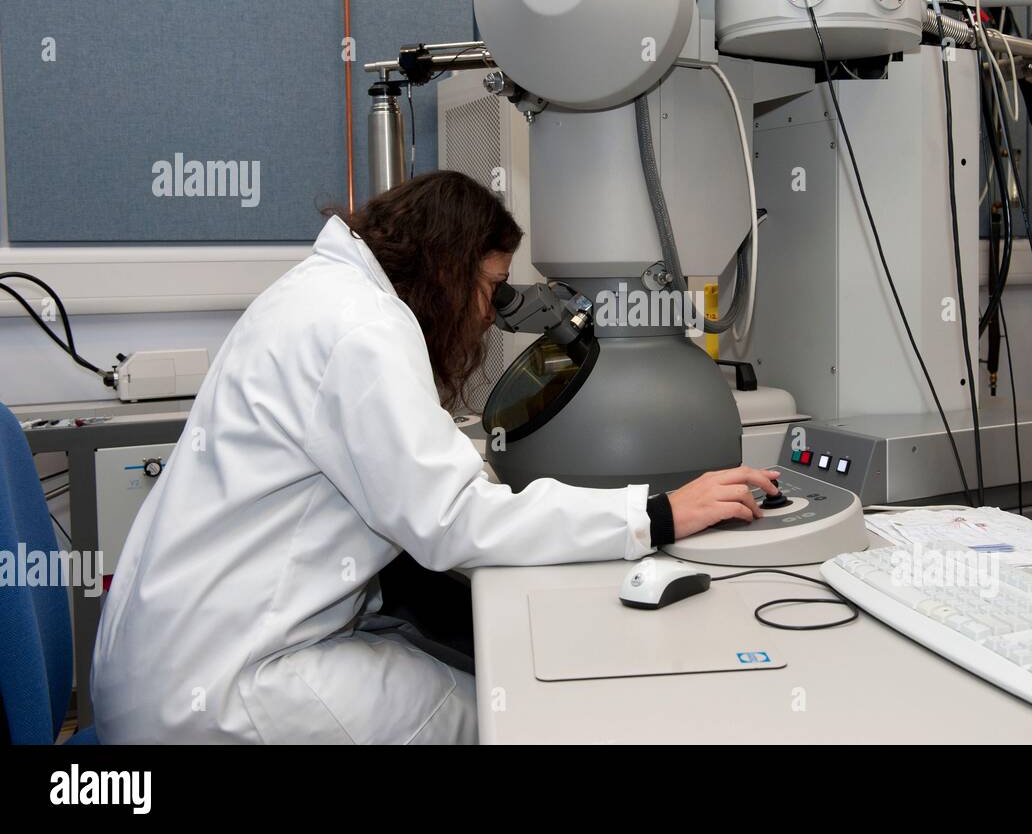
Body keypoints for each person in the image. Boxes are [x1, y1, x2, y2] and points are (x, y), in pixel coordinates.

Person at [91, 171, 778, 744]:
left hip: (168, 663)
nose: (490, 316)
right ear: (445, 272)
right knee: (501, 716)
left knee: (443, 659)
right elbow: (454, 525)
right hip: (221, 692)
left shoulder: (322, 296)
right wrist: (655, 514)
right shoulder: (362, 329)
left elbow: (402, 453)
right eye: (490, 288)